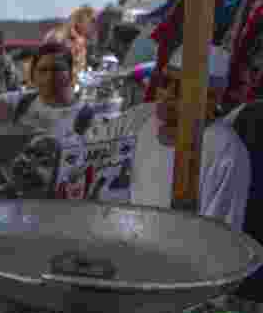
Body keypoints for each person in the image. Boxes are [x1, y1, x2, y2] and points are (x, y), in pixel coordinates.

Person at [101, 45, 249, 229]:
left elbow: (218, 233)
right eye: (165, 82)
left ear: (211, 98)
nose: (167, 94)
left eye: (181, 88)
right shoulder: (138, 119)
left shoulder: (225, 150)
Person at [0, 42, 96, 139]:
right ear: (33, 75)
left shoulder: (87, 115)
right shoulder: (22, 101)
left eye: (57, 69)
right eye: (43, 70)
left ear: (71, 74)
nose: (50, 76)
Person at [45, 5, 96, 80]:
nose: (92, 27)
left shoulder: (81, 39)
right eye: (91, 22)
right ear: (80, 21)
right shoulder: (61, 36)